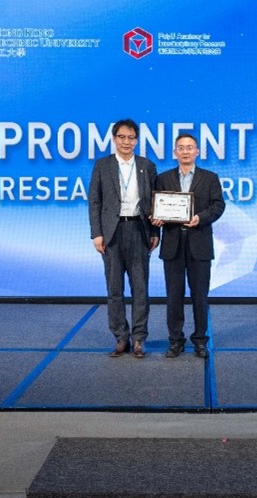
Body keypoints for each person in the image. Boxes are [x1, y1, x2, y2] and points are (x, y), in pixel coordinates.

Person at [88, 119, 160, 358]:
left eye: (131, 138)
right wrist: (97, 233)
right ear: (114, 139)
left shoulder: (147, 166)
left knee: (140, 288)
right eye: (122, 137)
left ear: (136, 140)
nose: (126, 142)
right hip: (112, 232)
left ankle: (138, 338)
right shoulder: (103, 165)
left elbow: (155, 202)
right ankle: (121, 337)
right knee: (114, 289)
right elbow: (95, 201)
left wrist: (154, 232)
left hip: (139, 230)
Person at [151, 134, 225, 359]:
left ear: (197, 152)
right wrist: (156, 219)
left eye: (190, 147)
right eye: (181, 148)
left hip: (199, 243)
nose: (185, 151)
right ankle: (175, 341)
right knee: (173, 296)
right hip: (172, 244)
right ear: (175, 152)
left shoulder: (210, 178)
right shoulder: (163, 178)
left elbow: (218, 206)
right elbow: (155, 206)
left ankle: (200, 340)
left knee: (200, 296)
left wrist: (200, 218)